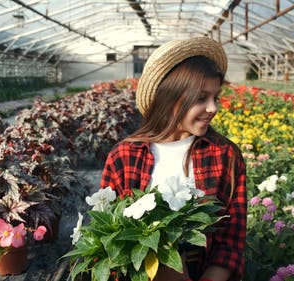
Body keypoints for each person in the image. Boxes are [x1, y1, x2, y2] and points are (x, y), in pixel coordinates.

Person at [100, 37, 247, 281]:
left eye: (215, 97)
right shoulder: (124, 156)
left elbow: (231, 240)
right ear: (170, 98)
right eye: (201, 98)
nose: (213, 108)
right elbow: (108, 239)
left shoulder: (224, 154)